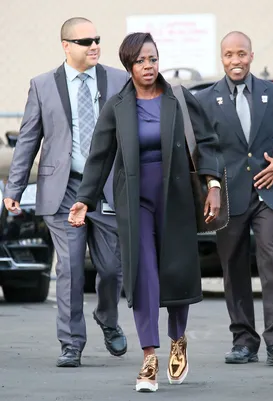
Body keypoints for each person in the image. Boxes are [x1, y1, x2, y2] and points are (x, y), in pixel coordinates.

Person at [68, 32, 224, 392]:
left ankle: (178, 338)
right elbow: (100, 155)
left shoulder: (180, 99)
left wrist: (213, 186)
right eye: (140, 61)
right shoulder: (117, 106)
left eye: (152, 59)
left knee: (177, 268)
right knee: (143, 274)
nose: (148, 66)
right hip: (135, 199)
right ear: (129, 65)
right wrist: (85, 198)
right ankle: (149, 356)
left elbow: (209, 144)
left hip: (178, 197)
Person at [3, 17, 129, 367]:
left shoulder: (118, 80)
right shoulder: (43, 85)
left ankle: (107, 317)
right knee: (71, 268)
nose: (93, 46)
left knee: (111, 268)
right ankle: (71, 342)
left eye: (97, 39)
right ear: (66, 46)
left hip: (105, 188)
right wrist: (14, 187)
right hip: (63, 188)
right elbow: (29, 138)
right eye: (85, 40)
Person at [195, 31, 273, 365]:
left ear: (251, 55)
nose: (235, 61)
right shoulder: (204, 99)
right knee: (233, 268)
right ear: (222, 58)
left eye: (241, 54)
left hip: (268, 194)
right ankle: (244, 340)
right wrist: (212, 185)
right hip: (227, 195)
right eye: (229, 55)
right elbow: (204, 148)